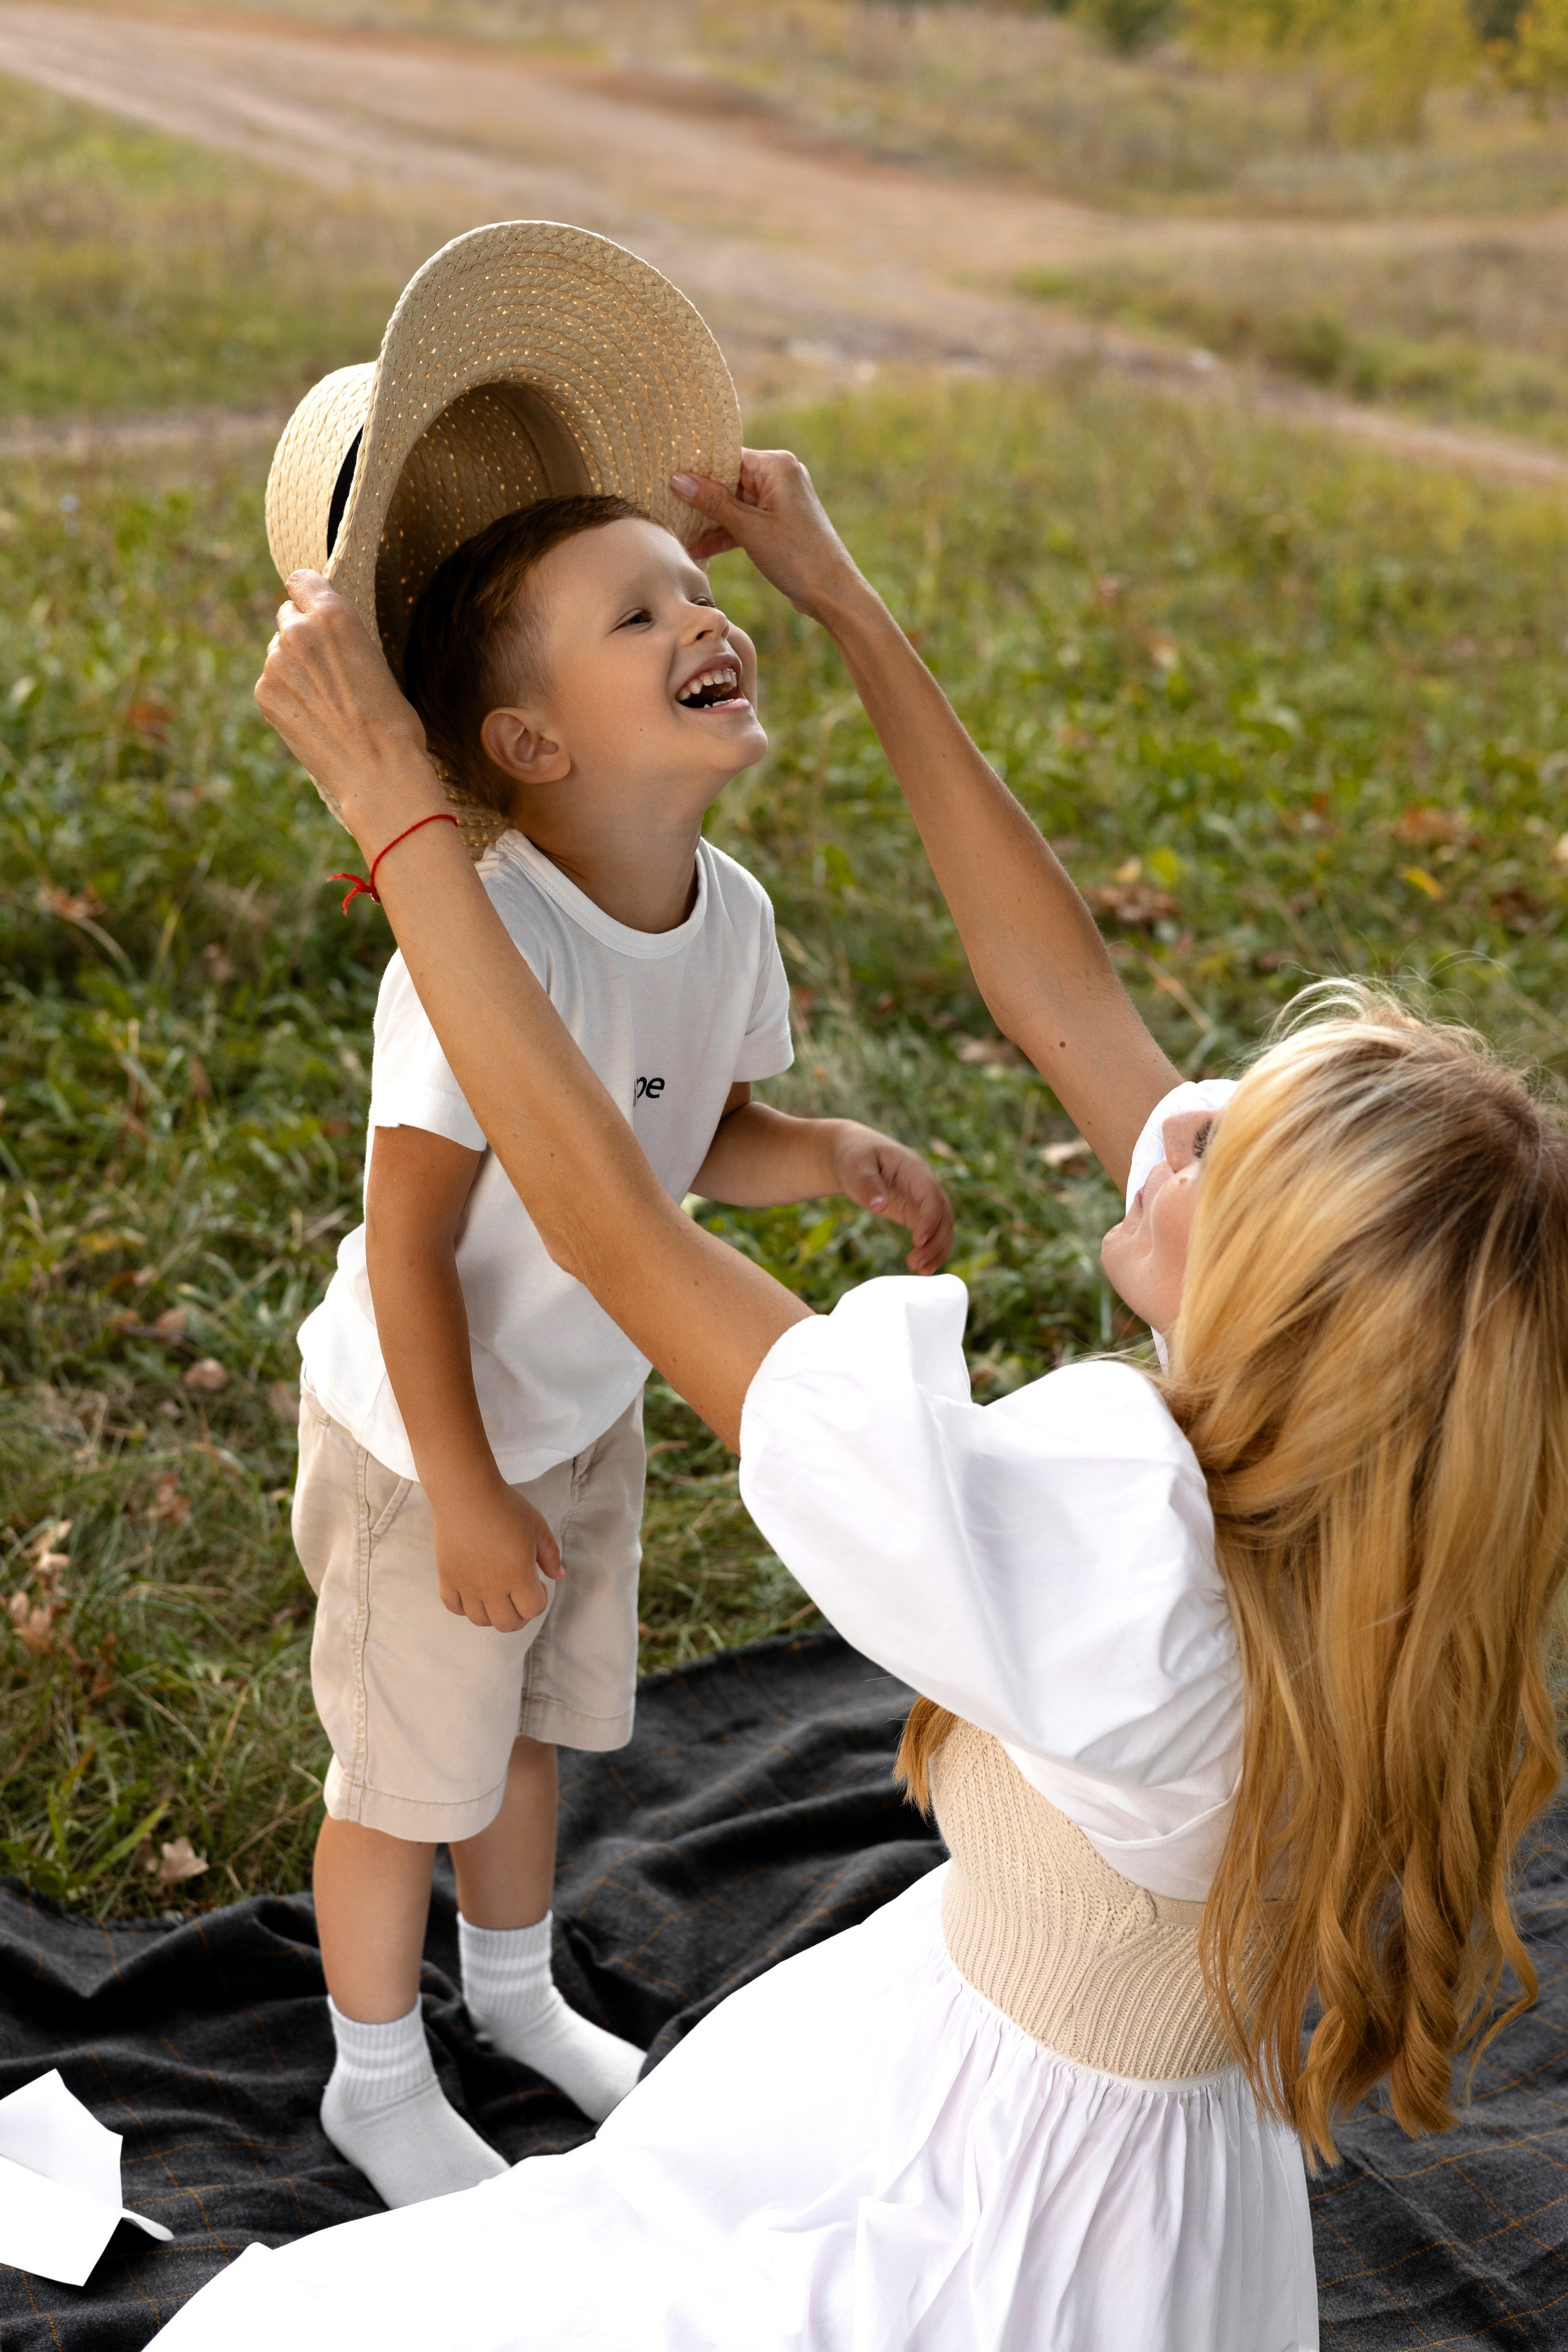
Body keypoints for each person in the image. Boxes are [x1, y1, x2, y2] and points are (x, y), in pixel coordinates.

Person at [159, 451, 1568, 2352]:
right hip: (1136, 2163)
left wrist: (398, 818)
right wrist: (833, 591)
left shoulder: (1116, 1557)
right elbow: (1055, 985)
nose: (1180, 1117)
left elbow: (618, 1230)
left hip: (993, 2235)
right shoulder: (1386, 1506)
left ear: (1290, 1310)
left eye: (1233, 1150)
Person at [292, 492, 954, 2208]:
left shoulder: (721, 913)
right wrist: (454, 1486)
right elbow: (411, 1242)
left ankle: (511, 1996)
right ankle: (372, 2077)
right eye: (635, 618)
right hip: (422, 1434)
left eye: (690, 595)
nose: (696, 621)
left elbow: (686, 1134)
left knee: (524, 1732)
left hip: (577, 1411)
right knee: (400, 1776)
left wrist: (818, 1154)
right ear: (528, 741)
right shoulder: (484, 935)